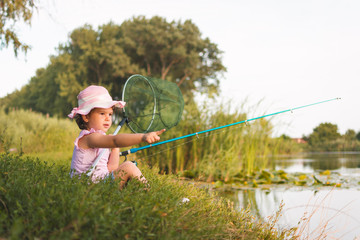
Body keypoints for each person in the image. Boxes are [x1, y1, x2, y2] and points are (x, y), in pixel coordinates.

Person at [68, 85, 165, 188]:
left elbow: (111, 169)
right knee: (128, 167)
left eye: (110, 114)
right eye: (102, 113)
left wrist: (115, 149)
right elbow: (115, 140)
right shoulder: (89, 138)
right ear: (86, 116)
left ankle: (143, 195)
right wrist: (142, 137)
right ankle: (150, 194)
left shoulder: (100, 138)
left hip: (98, 184)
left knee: (127, 169)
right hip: (86, 187)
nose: (107, 118)